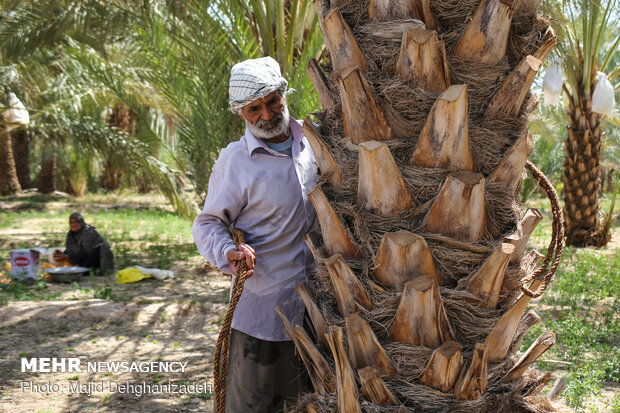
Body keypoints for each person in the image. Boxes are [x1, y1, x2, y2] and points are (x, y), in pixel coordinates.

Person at [192, 56, 319, 412]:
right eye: (254, 109)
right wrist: (226, 253)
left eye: (272, 102)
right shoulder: (236, 161)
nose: (266, 115)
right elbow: (207, 224)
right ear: (241, 113)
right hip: (262, 313)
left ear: (283, 93)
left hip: (320, 312)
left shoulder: (314, 144)